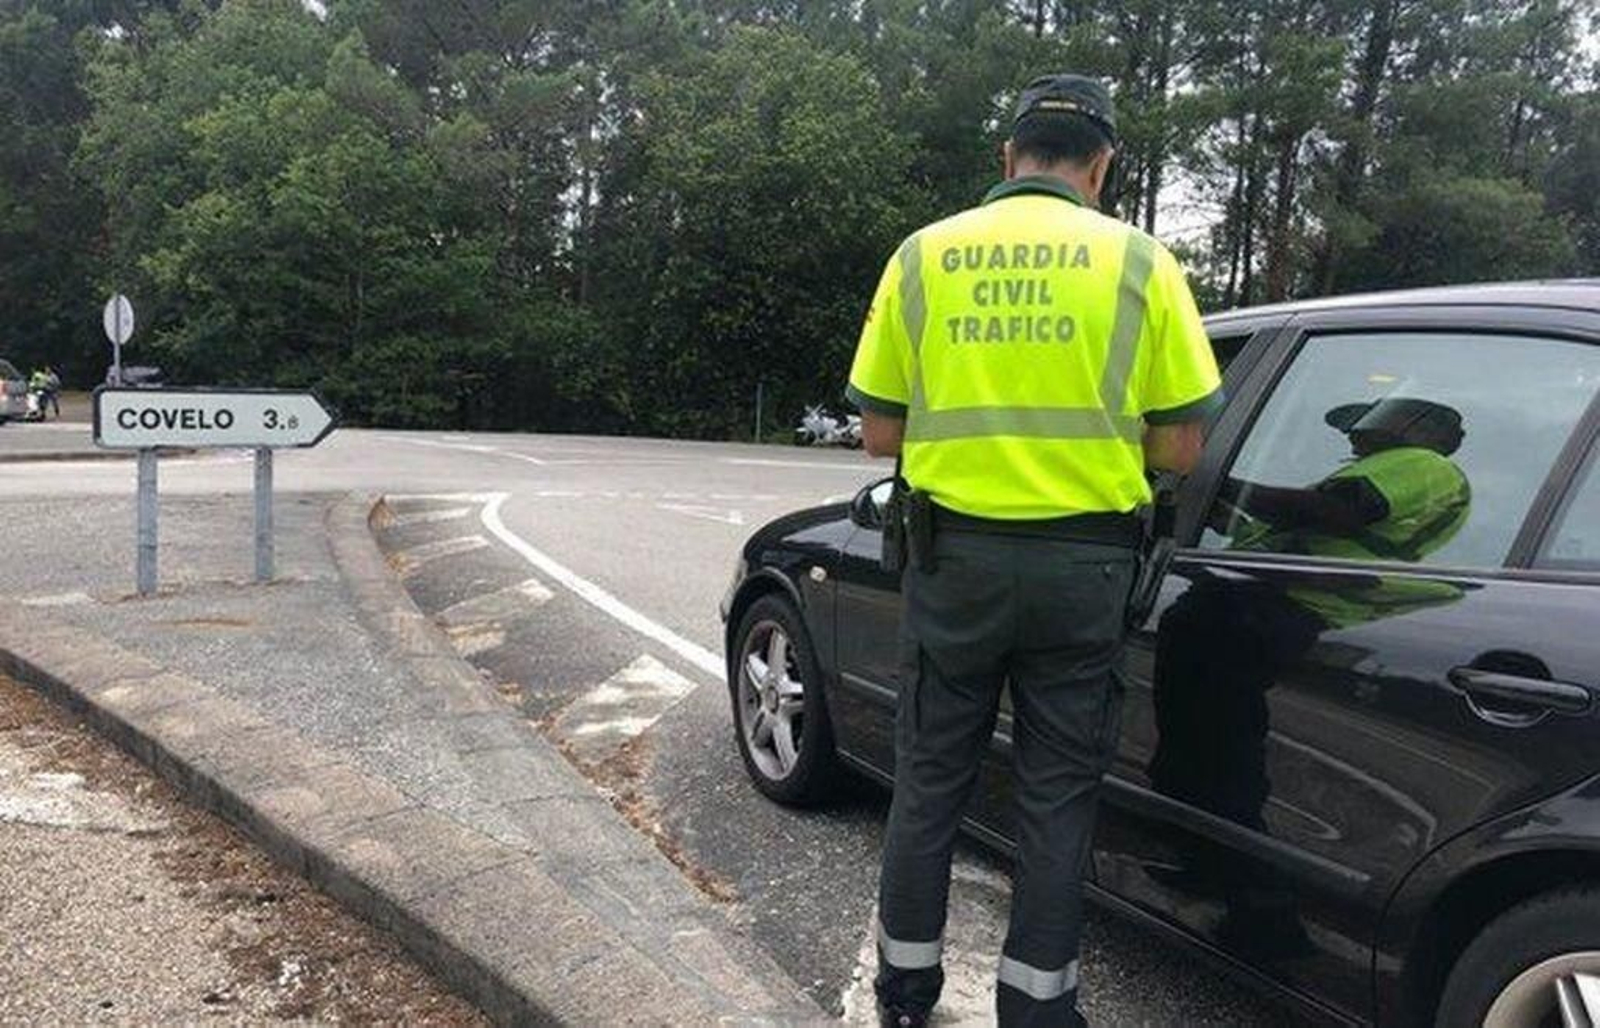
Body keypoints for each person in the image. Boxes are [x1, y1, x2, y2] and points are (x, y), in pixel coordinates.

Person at [845, 73, 1223, 1028]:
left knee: (930, 781)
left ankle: (905, 992)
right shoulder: (1142, 263)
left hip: (953, 565)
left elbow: (880, 436)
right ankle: (1037, 1008)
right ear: (1100, 166)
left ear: (1008, 158)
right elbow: (1181, 446)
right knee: (1057, 797)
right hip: (1085, 573)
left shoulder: (923, 256)